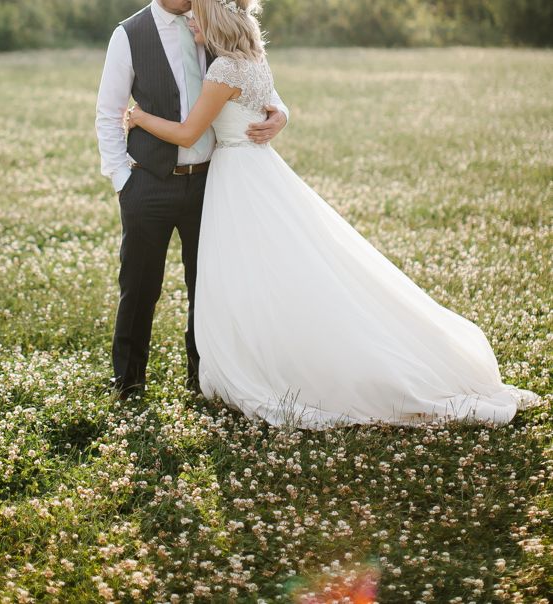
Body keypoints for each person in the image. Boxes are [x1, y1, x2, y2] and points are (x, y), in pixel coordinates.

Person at [127, 0, 538, 429]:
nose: (191, 17)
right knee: (275, 269)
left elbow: (189, 131)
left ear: (214, 18)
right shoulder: (252, 58)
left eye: (198, 13)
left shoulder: (222, 70)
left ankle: (265, 363)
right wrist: (280, 113)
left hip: (237, 175)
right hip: (259, 170)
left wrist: (139, 117)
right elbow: (266, 101)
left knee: (246, 272)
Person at [95, 0, 290, 399]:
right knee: (140, 286)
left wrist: (281, 112)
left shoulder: (212, 24)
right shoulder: (129, 35)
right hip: (148, 183)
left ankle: (203, 380)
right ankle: (128, 383)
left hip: (211, 181)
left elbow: (256, 79)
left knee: (208, 285)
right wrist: (122, 179)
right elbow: (108, 112)